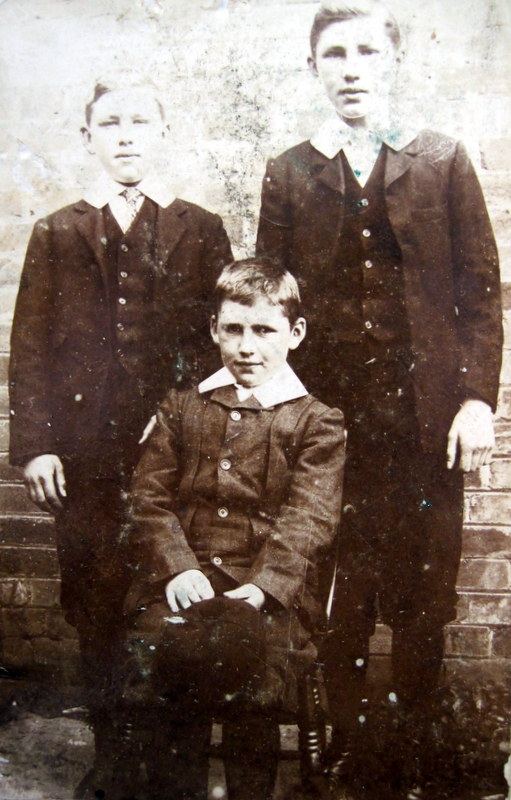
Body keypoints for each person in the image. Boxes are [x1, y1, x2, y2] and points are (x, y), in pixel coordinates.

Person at [256, 2, 503, 797]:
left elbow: (480, 293)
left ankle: (415, 759)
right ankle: (346, 760)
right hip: (329, 428)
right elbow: (268, 300)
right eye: (335, 54)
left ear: (393, 63)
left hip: (425, 424)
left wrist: (475, 402)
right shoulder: (291, 170)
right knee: (340, 593)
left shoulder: (439, 159)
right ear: (314, 70)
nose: (352, 67)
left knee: (423, 595)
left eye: (367, 52)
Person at [8, 74, 232, 798]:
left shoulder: (200, 228)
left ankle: (173, 760)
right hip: (83, 454)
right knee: (96, 596)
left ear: (162, 133)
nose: (126, 135)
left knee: (174, 587)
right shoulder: (59, 230)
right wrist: (38, 443)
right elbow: (32, 345)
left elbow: (215, 347)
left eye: (140, 121)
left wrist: (181, 418)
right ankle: (110, 753)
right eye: (110, 124)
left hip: (175, 451)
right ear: (88, 139)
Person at [115, 258, 345, 800]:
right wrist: (177, 567)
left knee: (254, 666)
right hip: (184, 577)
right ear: (215, 329)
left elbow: (310, 517)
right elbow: (147, 498)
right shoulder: (181, 406)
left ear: (294, 334)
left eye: (264, 331)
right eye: (234, 329)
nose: (247, 347)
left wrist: (263, 589)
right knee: (169, 652)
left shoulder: (316, 420)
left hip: (267, 587)